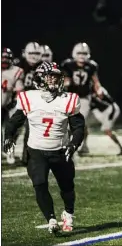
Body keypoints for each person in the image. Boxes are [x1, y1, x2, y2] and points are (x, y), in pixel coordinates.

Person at [3, 62, 85, 233]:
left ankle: (68, 213)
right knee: (39, 184)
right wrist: (8, 136)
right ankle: (51, 219)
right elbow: (14, 121)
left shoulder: (67, 100)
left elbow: (78, 127)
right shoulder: (29, 98)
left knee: (67, 187)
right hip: (36, 151)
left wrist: (73, 144)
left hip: (60, 151)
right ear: (40, 78)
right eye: (50, 76)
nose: (55, 80)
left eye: (56, 76)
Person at [61, 42, 103, 155]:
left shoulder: (91, 66)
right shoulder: (68, 65)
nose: (82, 56)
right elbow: (64, 79)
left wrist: (98, 89)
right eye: (79, 53)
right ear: (74, 53)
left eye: (84, 53)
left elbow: (95, 81)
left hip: (84, 97)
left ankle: (81, 145)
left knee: (80, 122)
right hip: (70, 96)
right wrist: (65, 83)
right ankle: (70, 144)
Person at [15, 41, 42, 165]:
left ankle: (26, 158)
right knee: (13, 128)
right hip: (15, 100)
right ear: (25, 53)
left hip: (35, 102)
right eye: (31, 53)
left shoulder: (44, 65)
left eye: (37, 53)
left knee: (30, 130)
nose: (34, 56)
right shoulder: (17, 64)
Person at [1, 48, 24, 164]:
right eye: (2, 57)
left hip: (9, 103)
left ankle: (10, 151)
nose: (4, 60)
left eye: (7, 58)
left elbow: (19, 89)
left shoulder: (16, 70)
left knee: (12, 130)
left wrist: (15, 101)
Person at [90, 87, 122, 155]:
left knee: (107, 130)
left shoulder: (97, 89)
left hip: (108, 111)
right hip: (103, 111)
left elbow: (100, 96)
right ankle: (83, 147)